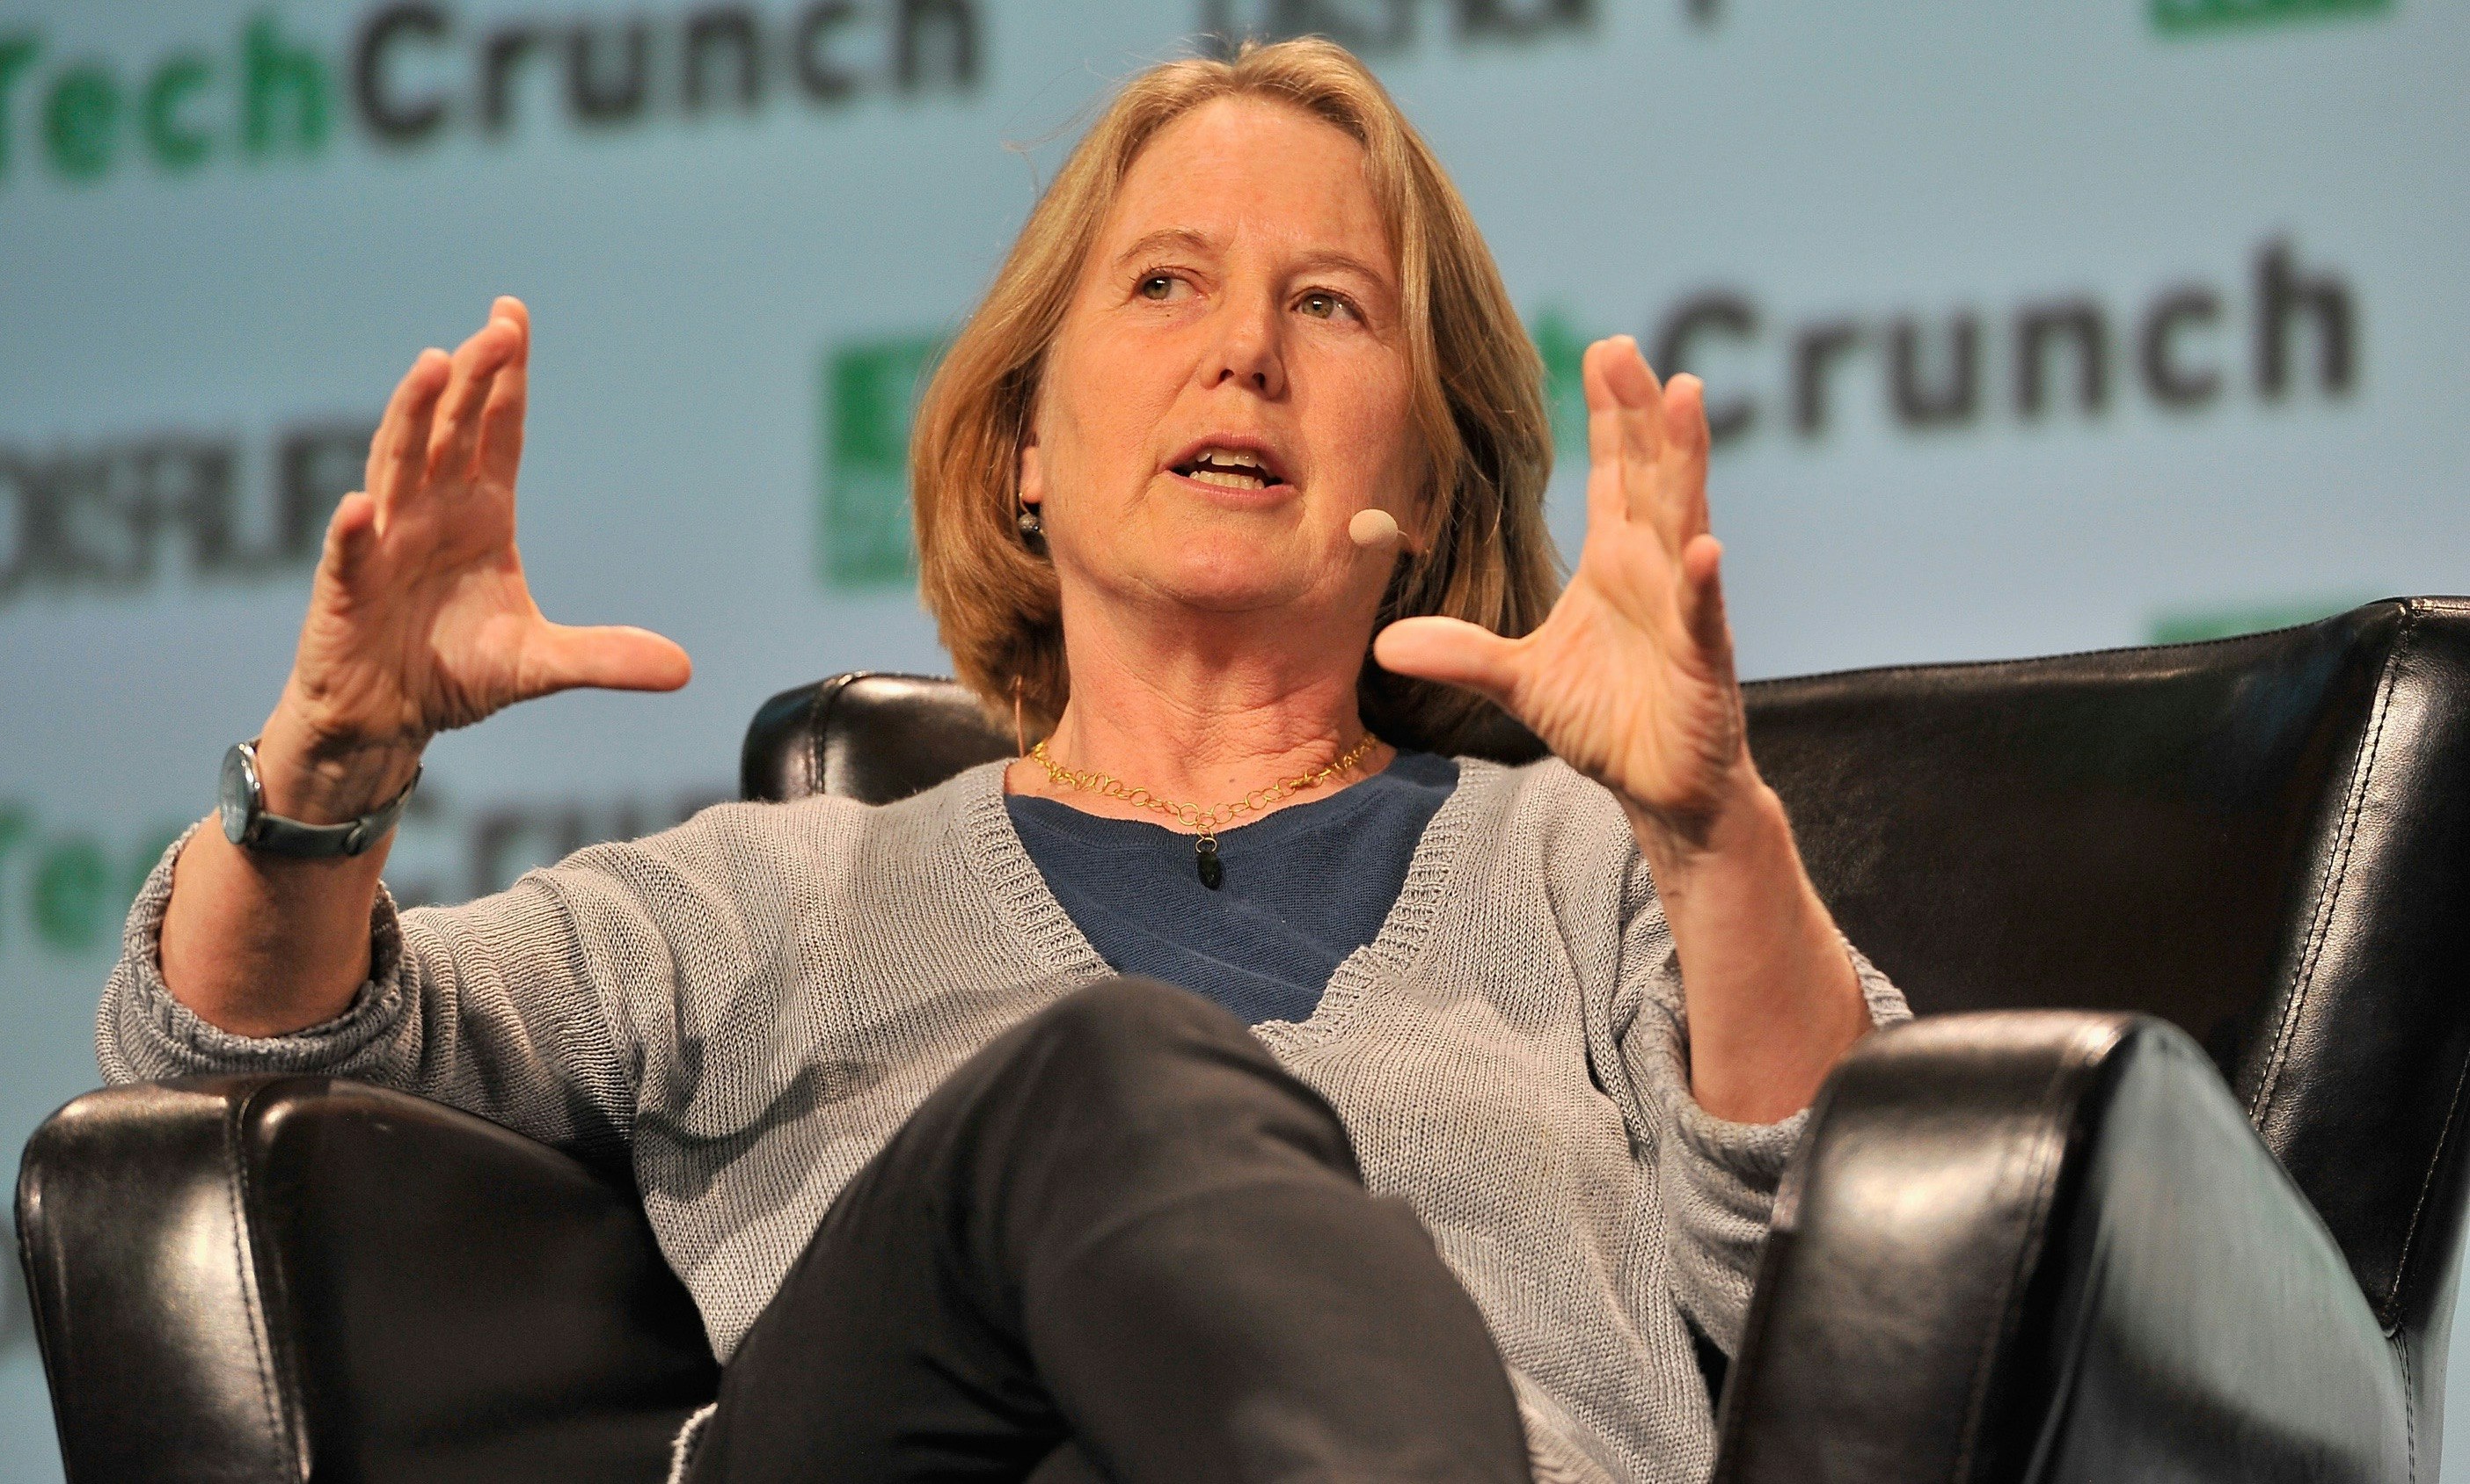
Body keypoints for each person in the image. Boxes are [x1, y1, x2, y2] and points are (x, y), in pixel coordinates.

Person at [100, 37, 1904, 1484]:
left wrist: (1711, 831)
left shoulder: (1579, 870)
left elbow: (1867, 1290)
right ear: (1024, 443)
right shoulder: (778, 901)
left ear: (1426, 489)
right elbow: (233, 1062)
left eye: (1332, 307)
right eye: (1167, 285)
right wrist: (326, 770)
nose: (1245, 357)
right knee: (1101, 1087)